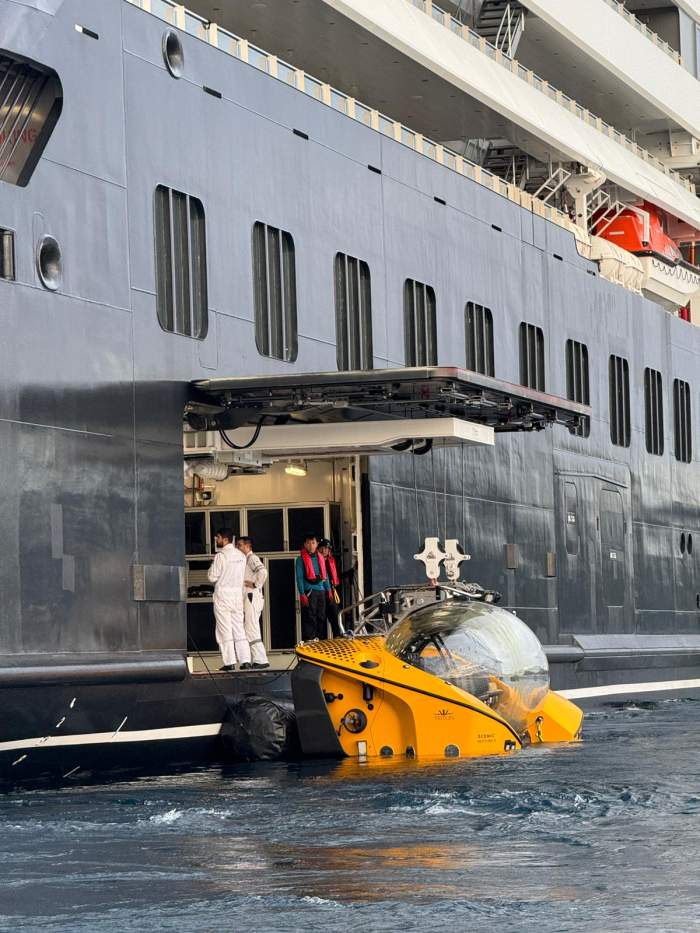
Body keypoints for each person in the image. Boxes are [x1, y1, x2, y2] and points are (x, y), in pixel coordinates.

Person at [207, 528, 250, 671]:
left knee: (224, 630)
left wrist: (211, 567)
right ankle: (245, 661)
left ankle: (229, 662)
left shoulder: (221, 556)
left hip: (223, 596)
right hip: (237, 595)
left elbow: (212, 577)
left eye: (217, 538)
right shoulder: (242, 556)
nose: (216, 540)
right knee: (239, 629)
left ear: (224, 539)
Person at [236, 535, 270, 670]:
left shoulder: (252, 558)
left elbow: (263, 572)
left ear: (247, 546)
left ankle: (261, 659)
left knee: (251, 628)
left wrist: (255, 584)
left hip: (252, 597)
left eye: (240, 545)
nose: (238, 547)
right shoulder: (246, 560)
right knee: (249, 628)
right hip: (250, 597)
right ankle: (257, 658)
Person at [295, 533, 331, 641]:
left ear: (317, 544)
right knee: (310, 617)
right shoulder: (300, 559)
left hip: (321, 591)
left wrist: (329, 589)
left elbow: (325, 576)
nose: (311, 545)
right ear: (305, 544)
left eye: (313, 543)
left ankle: (320, 641)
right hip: (310, 591)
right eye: (308, 543)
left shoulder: (321, 558)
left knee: (321, 617)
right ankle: (310, 642)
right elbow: (299, 577)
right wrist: (302, 593)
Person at [317, 538, 344, 637]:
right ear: (319, 549)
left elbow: (337, 576)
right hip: (320, 592)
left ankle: (337, 637)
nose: (324, 550)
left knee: (335, 615)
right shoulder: (315, 561)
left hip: (331, 592)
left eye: (327, 548)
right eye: (323, 548)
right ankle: (320, 640)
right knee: (321, 618)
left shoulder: (331, 561)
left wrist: (351, 571)